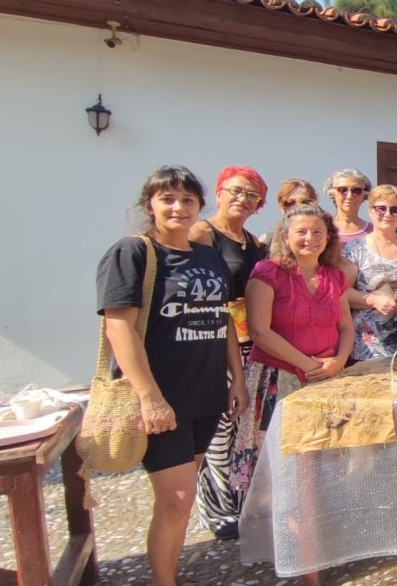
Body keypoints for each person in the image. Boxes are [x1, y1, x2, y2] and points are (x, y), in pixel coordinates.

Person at [97, 166, 246, 586]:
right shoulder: (134, 253)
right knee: (177, 500)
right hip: (164, 397)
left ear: (200, 205)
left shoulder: (208, 255)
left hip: (205, 390)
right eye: (168, 199)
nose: (178, 207)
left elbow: (223, 320)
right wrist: (149, 397)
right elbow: (118, 327)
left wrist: (236, 377)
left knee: (181, 497)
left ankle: (170, 574)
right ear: (151, 205)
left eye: (186, 199)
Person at [231, 204, 353, 584]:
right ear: (286, 235)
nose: (309, 239)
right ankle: (305, 568)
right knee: (289, 478)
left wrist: (336, 363)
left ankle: (313, 552)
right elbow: (260, 331)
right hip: (279, 382)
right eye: (301, 231)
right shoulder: (268, 274)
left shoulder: (334, 277)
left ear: (328, 238)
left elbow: (346, 326)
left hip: (324, 382)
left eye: (318, 232)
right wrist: (307, 364)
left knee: (317, 475)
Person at [187, 165, 268, 541]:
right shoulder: (203, 233)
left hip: (252, 342)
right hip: (216, 340)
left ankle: (240, 500)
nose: (242, 199)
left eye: (251, 195)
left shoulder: (251, 241)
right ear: (219, 192)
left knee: (243, 428)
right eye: (236, 190)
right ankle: (215, 510)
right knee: (219, 428)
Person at [343, 185, 397, 361]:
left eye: (395, 210)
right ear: (370, 211)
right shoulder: (356, 249)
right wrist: (374, 300)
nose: (387, 214)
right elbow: (341, 292)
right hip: (367, 348)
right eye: (381, 208)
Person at [322, 169, 373, 246]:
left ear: (364, 194)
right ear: (332, 193)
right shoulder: (322, 227)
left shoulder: (374, 231)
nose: (349, 196)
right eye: (343, 190)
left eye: (356, 190)